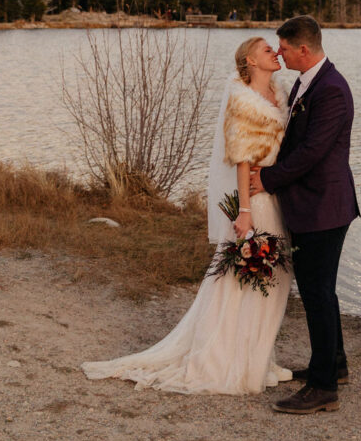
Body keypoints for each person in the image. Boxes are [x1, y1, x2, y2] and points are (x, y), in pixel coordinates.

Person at [82, 37, 293, 395]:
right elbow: (242, 159)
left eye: (274, 49)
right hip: (254, 202)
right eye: (266, 51)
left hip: (275, 198)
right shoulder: (244, 102)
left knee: (272, 281)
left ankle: (260, 355)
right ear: (250, 62)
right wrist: (243, 211)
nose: (274, 52)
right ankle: (228, 360)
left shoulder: (281, 93)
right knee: (243, 281)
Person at [250, 15, 360, 414]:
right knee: (321, 290)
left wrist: (268, 179)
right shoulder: (306, 81)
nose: (278, 54)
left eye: (283, 48)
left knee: (317, 294)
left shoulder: (331, 90)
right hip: (314, 205)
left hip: (324, 208)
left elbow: (312, 152)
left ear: (303, 49)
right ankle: (335, 365)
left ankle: (323, 388)